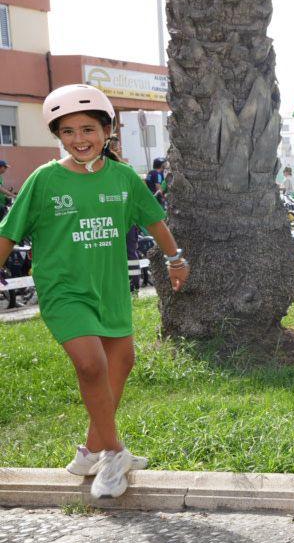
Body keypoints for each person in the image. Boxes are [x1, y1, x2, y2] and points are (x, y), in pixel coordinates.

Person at [0, 84, 190, 499]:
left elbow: (154, 221)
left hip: (111, 290)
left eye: (88, 129)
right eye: (67, 132)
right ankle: (115, 452)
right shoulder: (44, 180)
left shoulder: (123, 178)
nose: (79, 139)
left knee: (121, 364)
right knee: (91, 366)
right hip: (63, 291)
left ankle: (91, 449)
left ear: (108, 130)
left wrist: (176, 260)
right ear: (58, 136)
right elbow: (8, 234)